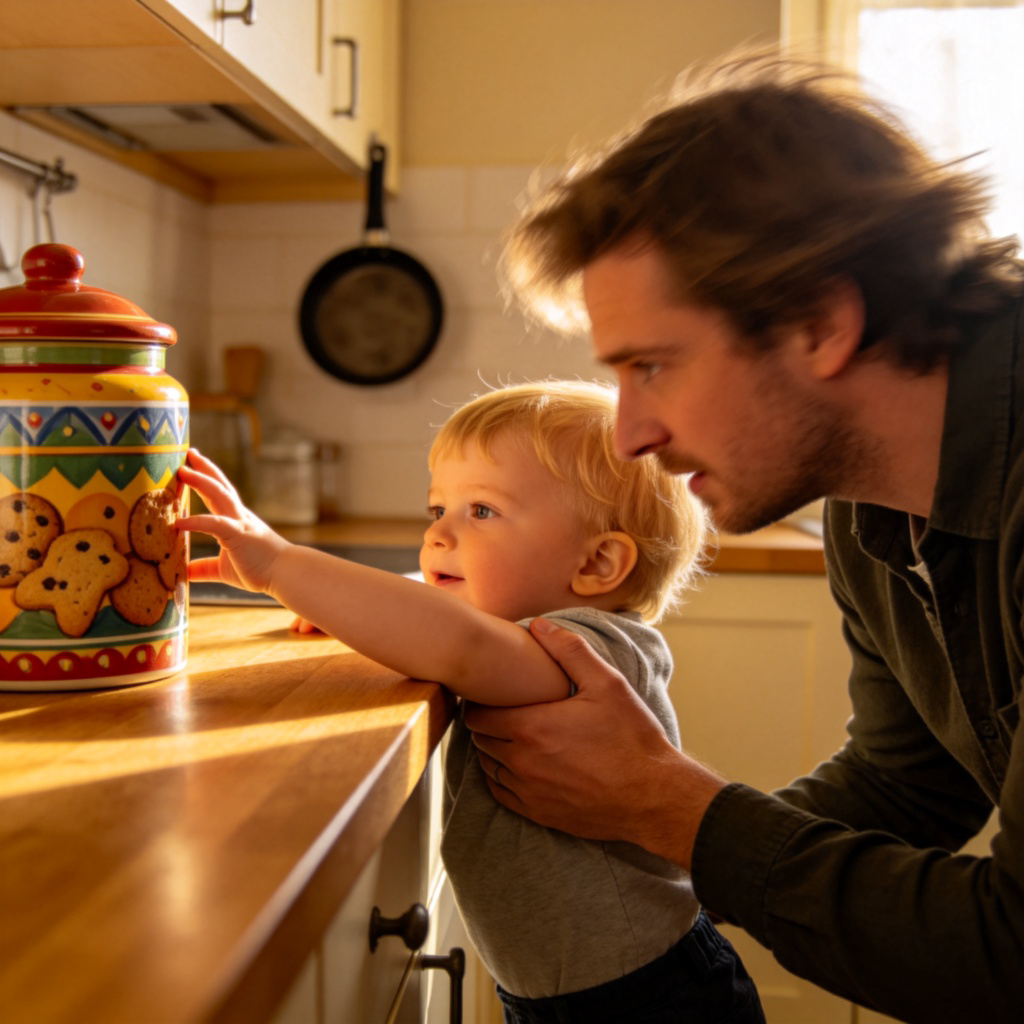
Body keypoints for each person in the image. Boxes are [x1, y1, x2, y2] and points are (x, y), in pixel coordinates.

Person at [464, 51, 1024, 1024]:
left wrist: (665, 805)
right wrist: (644, 867)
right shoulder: (874, 505)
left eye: (652, 365)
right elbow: (906, 785)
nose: (630, 432)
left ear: (818, 323)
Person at [177, 380, 766, 1024]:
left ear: (597, 564)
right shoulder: (526, 632)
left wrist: (281, 568)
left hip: (652, 1001)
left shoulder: (594, 649)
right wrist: (343, 608)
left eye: (481, 512)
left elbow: (457, 644)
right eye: (438, 511)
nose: (439, 536)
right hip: (563, 995)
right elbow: (438, 618)